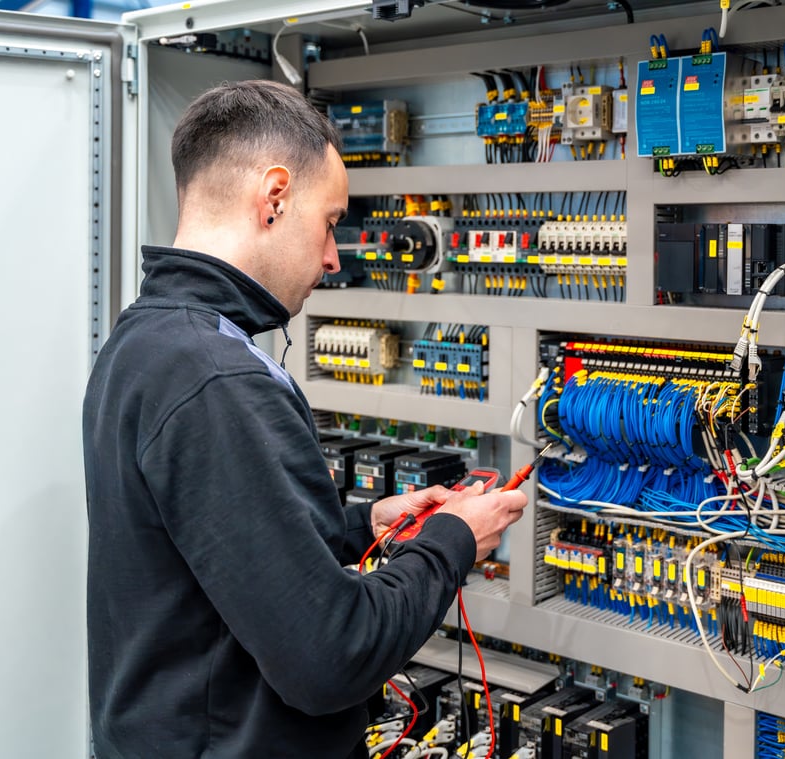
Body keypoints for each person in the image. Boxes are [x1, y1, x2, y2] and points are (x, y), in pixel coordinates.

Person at [82, 80, 528, 758]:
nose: (332, 258)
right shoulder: (215, 376)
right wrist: (451, 540)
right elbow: (330, 658)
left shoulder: (144, 342)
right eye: (330, 223)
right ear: (275, 196)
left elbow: (208, 548)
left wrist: (359, 527)